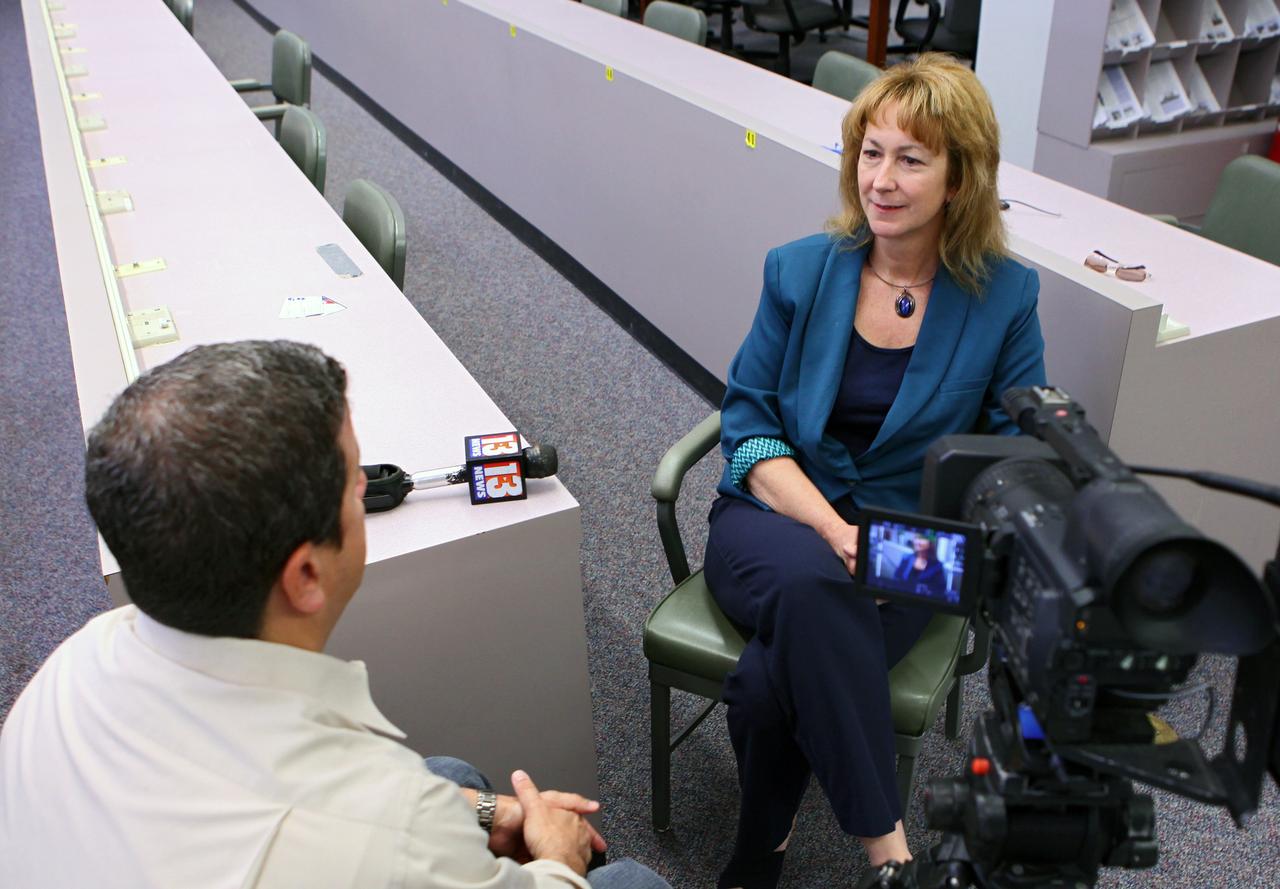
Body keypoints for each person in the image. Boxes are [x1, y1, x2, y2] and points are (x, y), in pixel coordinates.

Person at [0, 340, 669, 889]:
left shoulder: (72, 664)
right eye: (354, 481)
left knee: (455, 782)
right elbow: (381, 835)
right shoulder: (376, 836)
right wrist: (554, 853)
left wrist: (497, 812)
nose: (365, 489)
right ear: (307, 574)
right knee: (632, 881)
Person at [702, 54, 1046, 888]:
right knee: (814, 585)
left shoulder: (1004, 296)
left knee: (760, 686)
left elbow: (1016, 455)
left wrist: (937, 546)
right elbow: (746, 424)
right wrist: (832, 528)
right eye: (870, 152)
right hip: (778, 520)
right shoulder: (798, 269)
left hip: (910, 547)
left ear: (960, 179)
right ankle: (889, 852)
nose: (880, 180)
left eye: (911, 158)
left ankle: (759, 853)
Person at [893, 534, 947, 600]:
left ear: (930, 543)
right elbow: (896, 580)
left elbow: (940, 591)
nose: (917, 542)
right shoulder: (906, 558)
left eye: (921, 539)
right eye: (916, 538)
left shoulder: (937, 566)